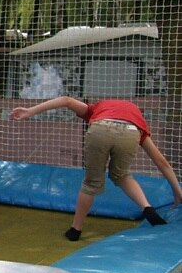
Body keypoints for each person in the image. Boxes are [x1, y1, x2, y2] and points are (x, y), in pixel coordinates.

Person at [11, 96, 182, 241]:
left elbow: (66, 100)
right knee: (122, 175)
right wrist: (177, 191)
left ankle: (75, 230)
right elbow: (161, 161)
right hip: (131, 132)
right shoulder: (138, 121)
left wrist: (30, 111)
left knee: (91, 182)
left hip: (101, 128)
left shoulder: (96, 109)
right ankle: (147, 208)